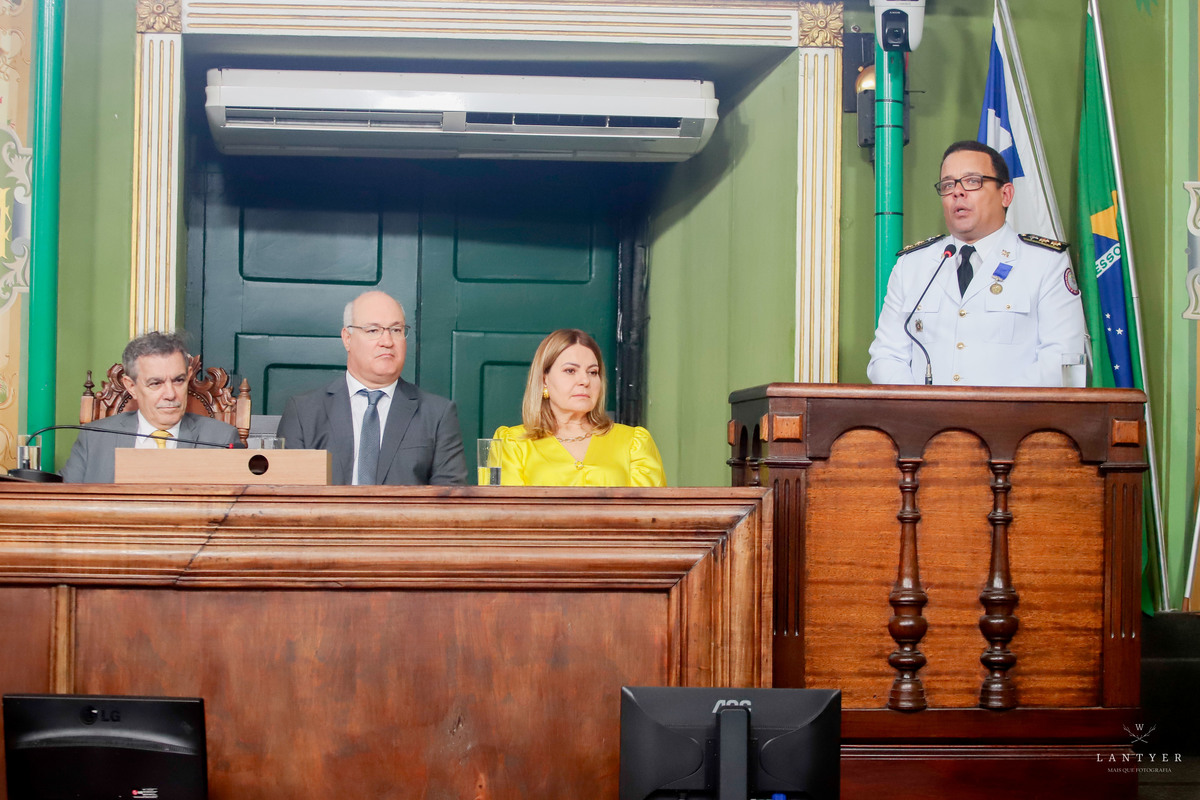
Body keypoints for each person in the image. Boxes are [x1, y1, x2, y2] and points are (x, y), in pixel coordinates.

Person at [867, 140, 1086, 386]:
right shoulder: (912, 266)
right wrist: (921, 405)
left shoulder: (1045, 263)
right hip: (924, 411)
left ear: (1005, 195)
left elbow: (1062, 360)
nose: (957, 192)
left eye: (972, 181)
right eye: (948, 185)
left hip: (1013, 412)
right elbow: (886, 356)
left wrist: (987, 406)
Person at [277, 290, 467, 485]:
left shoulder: (437, 415)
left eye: (396, 330)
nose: (387, 342)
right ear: (347, 338)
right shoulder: (304, 412)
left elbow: (450, 497)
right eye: (373, 331)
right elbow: (286, 495)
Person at [491, 329, 665, 487]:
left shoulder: (633, 442)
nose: (585, 380)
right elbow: (502, 510)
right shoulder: (513, 443)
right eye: (570, 371)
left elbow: (651, 509)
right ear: (544, 380)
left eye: (593, 372)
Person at [61, 332, 241, 483]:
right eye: (156, 383)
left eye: (178, 380)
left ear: (188, 377)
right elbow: (62, 502)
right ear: (131, 387)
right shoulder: (94, 438)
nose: (170, 394)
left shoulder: (221, 440)